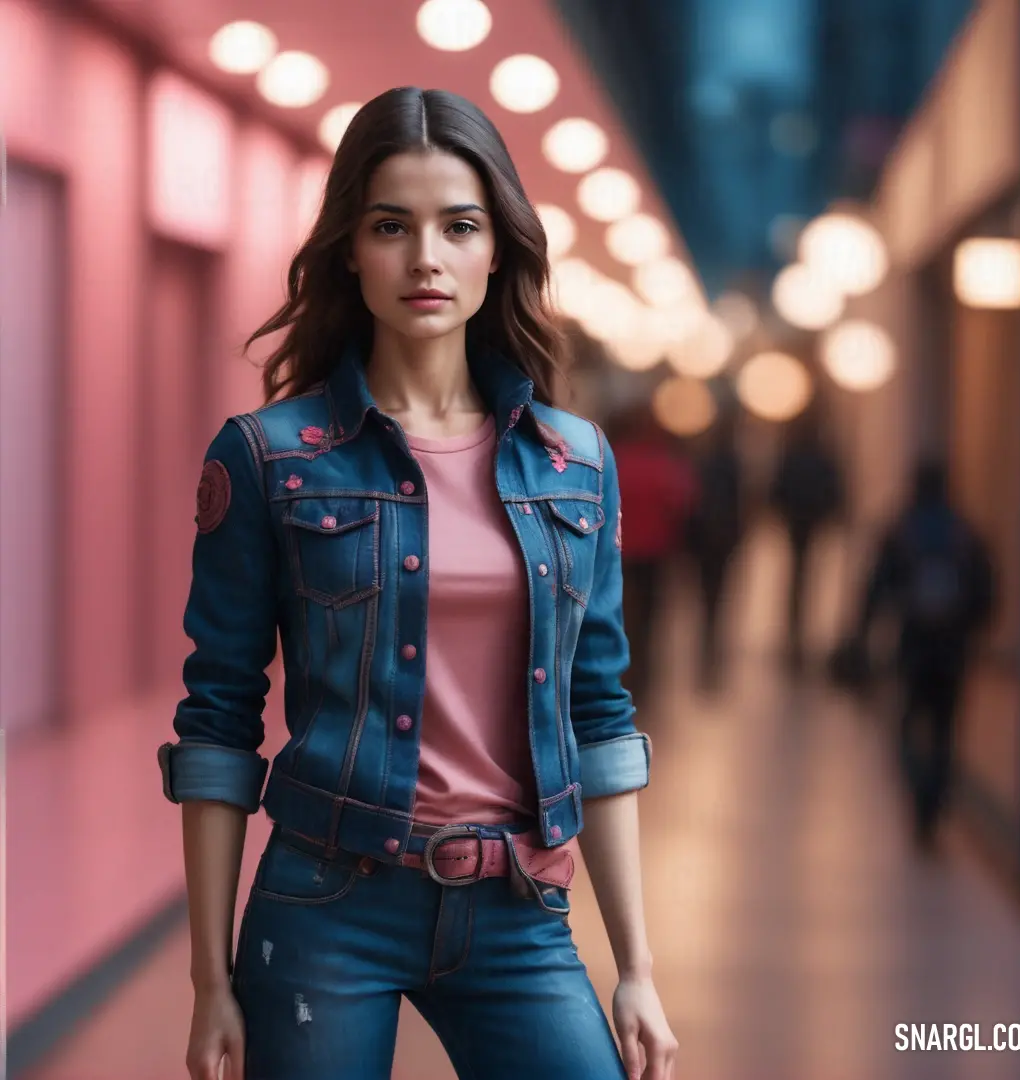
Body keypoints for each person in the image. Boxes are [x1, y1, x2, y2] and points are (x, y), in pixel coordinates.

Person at [157, 87, 678, 1080]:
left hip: (519, 907)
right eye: (392, 225)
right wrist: (209, 979)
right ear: (350, 248)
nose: (426, 256)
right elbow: (218, 720)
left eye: (459, 225)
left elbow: (599, 712)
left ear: (499, 250)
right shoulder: (271, 459)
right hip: (325, 905)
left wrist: (636, 966)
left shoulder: (576, 463)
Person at [848, 460, 994, 847]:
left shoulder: (900, 532)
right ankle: (934, 801)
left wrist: (862, 639)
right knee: (945, 731)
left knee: (906, 728)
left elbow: (875, 589)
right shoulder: (965, 534)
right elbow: (986, 594)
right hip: (952, 651)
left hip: (912, 648)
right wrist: (967, 628)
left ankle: (919, 795)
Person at [608, 404, 700, 704]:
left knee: (618, 614)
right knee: (650, 616)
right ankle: (644, 672)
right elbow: (683, 502)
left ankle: (622, 669)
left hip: (619, 553)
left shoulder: (614, 459)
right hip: (656, 552)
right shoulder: (665, 462)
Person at [769, 413, 844, 669]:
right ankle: (795, 633)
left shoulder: (794, 457)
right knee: (804, 578)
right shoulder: (817, 458)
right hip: (806, 522)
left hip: (800, 523)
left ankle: (795, 632)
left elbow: (778, 488)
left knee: (799, 579)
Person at [684, 415, 743, 690]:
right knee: (717, 589)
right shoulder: (732, 466)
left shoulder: (702, 463)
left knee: (706, 587)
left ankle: (707, 629)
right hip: (721, 537)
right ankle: (712, 628)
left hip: (706, 537)